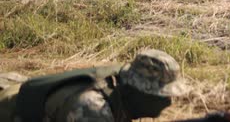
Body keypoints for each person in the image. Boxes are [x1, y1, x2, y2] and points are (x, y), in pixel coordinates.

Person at [0, 49, 189, 122]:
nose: (168, 102)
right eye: (161, 94)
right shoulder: (93, 109)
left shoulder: (123, 80)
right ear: (138, 92)